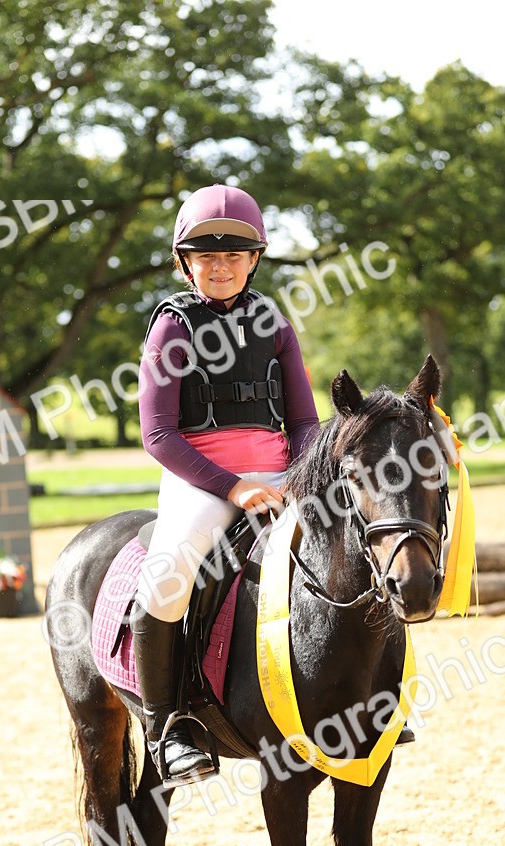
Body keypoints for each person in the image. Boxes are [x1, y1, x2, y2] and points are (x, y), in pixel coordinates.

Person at [132, 183, 320, 785]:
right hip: (201, 480)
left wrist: (298, 477)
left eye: (234, 255)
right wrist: (235, 489)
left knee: (357, 542)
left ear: (254, 259)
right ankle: (168, 727)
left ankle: (373, 692)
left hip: (283, 476)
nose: (221, 266)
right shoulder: (172, 327)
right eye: (207, 256)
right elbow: (158, 435)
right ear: (186, 262)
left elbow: (306, 423)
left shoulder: (274, 324)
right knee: (167, 579)